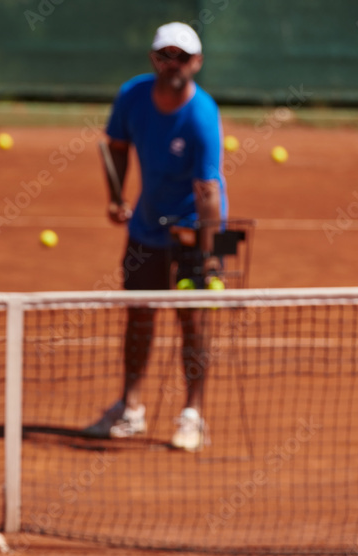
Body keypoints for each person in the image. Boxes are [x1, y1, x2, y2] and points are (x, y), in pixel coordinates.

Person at [84, 21, 227, 451]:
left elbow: (208, 192)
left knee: (193, 321)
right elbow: (116, 146)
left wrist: (207, 257)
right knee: (138, 315)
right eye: (165, 55)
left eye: (182, 57)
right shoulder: (132, 95)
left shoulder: (201, 115)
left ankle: (193, 414)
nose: (173, 64)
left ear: (196, 63)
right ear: (154, 58)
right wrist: (115, 198)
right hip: (147, 225)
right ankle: (130, 408)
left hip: (194, 229)